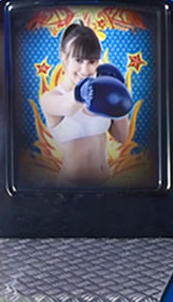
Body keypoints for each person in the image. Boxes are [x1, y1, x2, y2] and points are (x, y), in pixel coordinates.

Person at [39, 21, 131, 185]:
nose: (85, 70)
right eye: (79, 60)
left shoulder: (100, 92)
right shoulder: (50, 99)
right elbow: (68, 107)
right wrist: (83, 92)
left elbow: (122, 137)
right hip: (70, 189)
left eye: (92, 61)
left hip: (106, 185)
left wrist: (118, 95)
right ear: (64, 56)